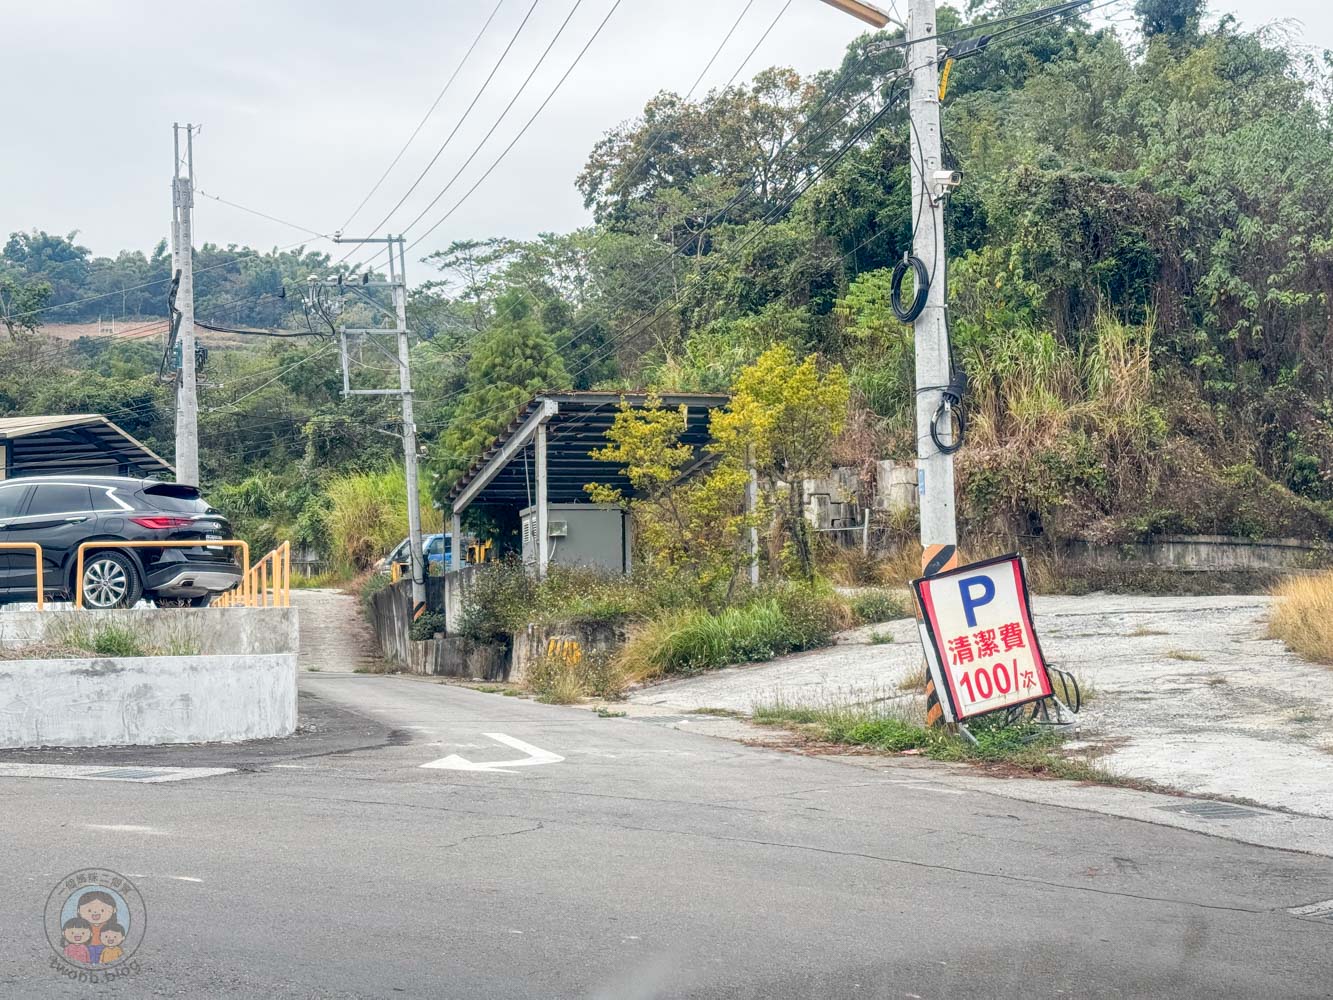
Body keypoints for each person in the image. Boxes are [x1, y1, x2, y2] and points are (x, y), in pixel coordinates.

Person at [75, 890, 118, 963]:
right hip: (87, 947)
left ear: (114, 910)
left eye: (102, 910)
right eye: (89, 910)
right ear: (79, 911)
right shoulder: (82, 926)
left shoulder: (110, 927)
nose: (95, 912)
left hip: (105, 947)